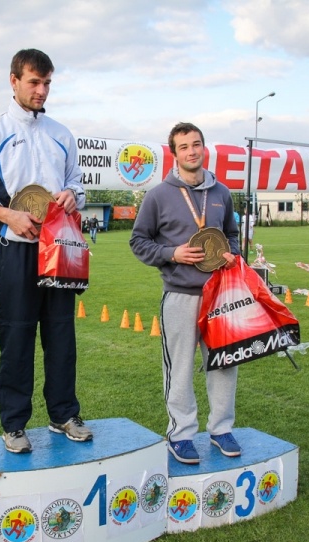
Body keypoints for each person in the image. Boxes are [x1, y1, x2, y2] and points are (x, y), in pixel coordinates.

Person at [0, 48, 92, 454]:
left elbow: (79, 186)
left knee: (61, 335)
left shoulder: (61, 134)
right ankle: (14, 424)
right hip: (17, 250)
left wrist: (72, 195)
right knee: (17, 337)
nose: (42, 90)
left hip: (60, 249)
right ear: (14, 81)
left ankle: (64, 414)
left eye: (47, 83)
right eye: (34, 82)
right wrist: (7, 215)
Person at [129, 122, 242, 464]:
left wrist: (232, 253)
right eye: (184, 147)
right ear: (174, 154)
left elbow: (232, 235)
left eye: (196, 144)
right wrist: (171, 254)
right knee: (179, 367)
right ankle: (180, 434)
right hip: (180, 294)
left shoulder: (221, 193)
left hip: (219, 294)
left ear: (204, 148)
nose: (192, 151)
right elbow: (138, 241)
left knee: (224, 363)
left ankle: (221, 429)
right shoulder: (158, 195)